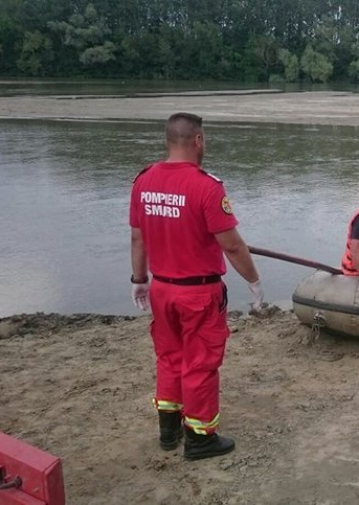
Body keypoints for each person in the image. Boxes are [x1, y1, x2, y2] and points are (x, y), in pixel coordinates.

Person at [129, 112, 263, 461]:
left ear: (168, 140)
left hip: (161, 288)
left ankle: (168, 432)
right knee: (201, 364)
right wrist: (253, 280)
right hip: (198, 292)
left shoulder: (143, 181)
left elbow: (137, 238)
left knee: (169, 358)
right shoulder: (206, 186)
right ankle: (201, 438)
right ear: (198, 140)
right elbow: (232, 245)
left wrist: (139, 280)